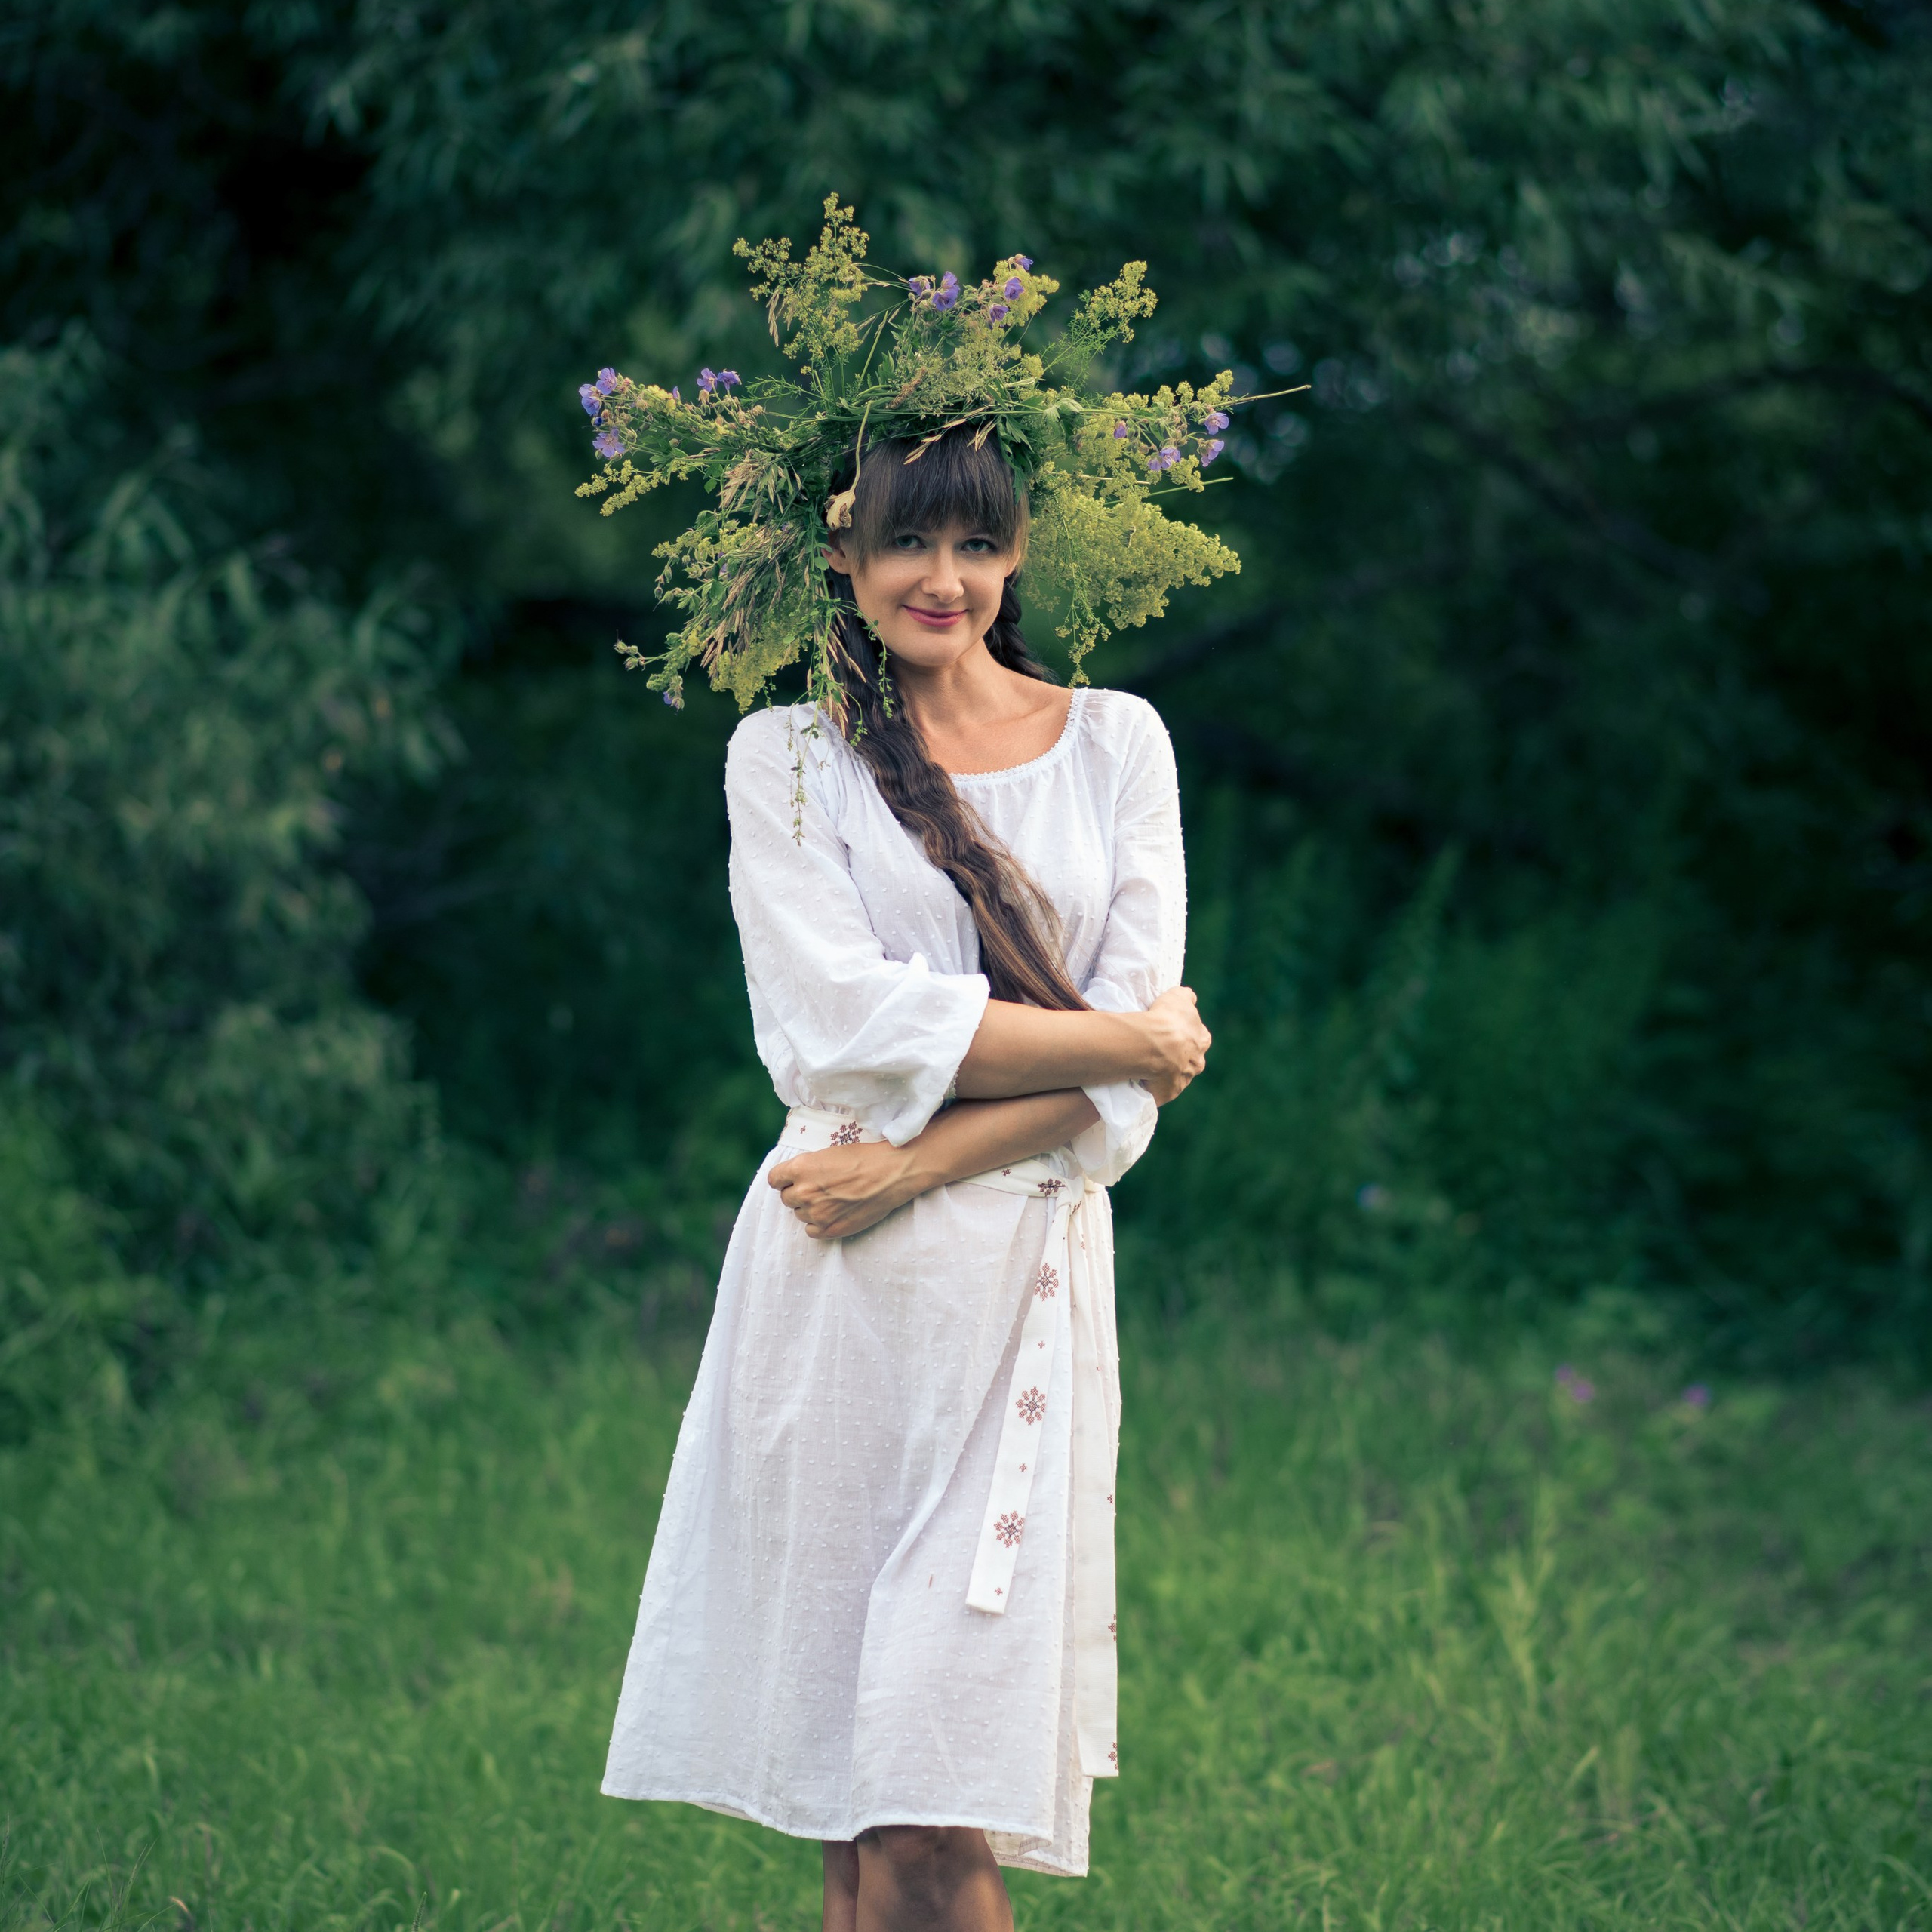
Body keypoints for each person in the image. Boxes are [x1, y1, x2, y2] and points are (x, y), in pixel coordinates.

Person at [601, 426, 1211, 1931]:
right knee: (854, 1798)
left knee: (932, 1800)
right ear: (842, 552)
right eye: (907, 542)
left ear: (1018, 554)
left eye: (977, 544)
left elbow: (1115, 1096)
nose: (944, 578)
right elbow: (841, 1024)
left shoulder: (1115, 741)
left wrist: (923, 1157)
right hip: (839, 1289)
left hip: (1014, 1271)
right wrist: (1126, 1038)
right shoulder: (787, 758)